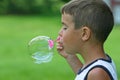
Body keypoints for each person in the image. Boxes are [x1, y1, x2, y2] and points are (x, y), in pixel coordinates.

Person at [56, 0, 118, 80]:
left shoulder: (97, 73)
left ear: (84, 34)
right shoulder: (98, 65)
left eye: (65, 28)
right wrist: (70, 57)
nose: (60, 32)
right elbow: (84, 75)